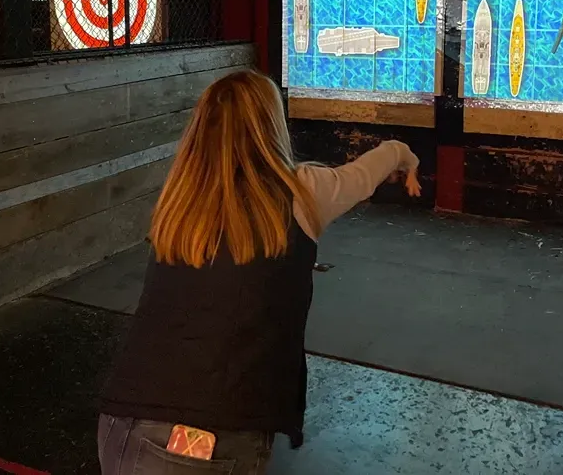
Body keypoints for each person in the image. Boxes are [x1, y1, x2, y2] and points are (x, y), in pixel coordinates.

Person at [97, 69, 421, 474]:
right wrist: (405, 155)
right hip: (210, 437)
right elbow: (366, 172)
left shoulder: (182, 200)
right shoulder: (300, 191)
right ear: (271, 126)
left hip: (122, 423)